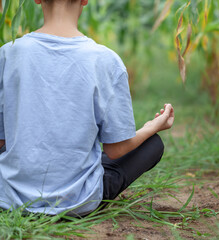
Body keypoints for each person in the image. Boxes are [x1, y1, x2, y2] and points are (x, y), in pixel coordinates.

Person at [0, 0, 174, 216]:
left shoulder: (7, 54)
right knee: (152, 144)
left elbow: (2, 141)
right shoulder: (106, 60)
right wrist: (152, 126)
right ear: (85, 1)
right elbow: (115, 149)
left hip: (10, 199)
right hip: (78, 201)